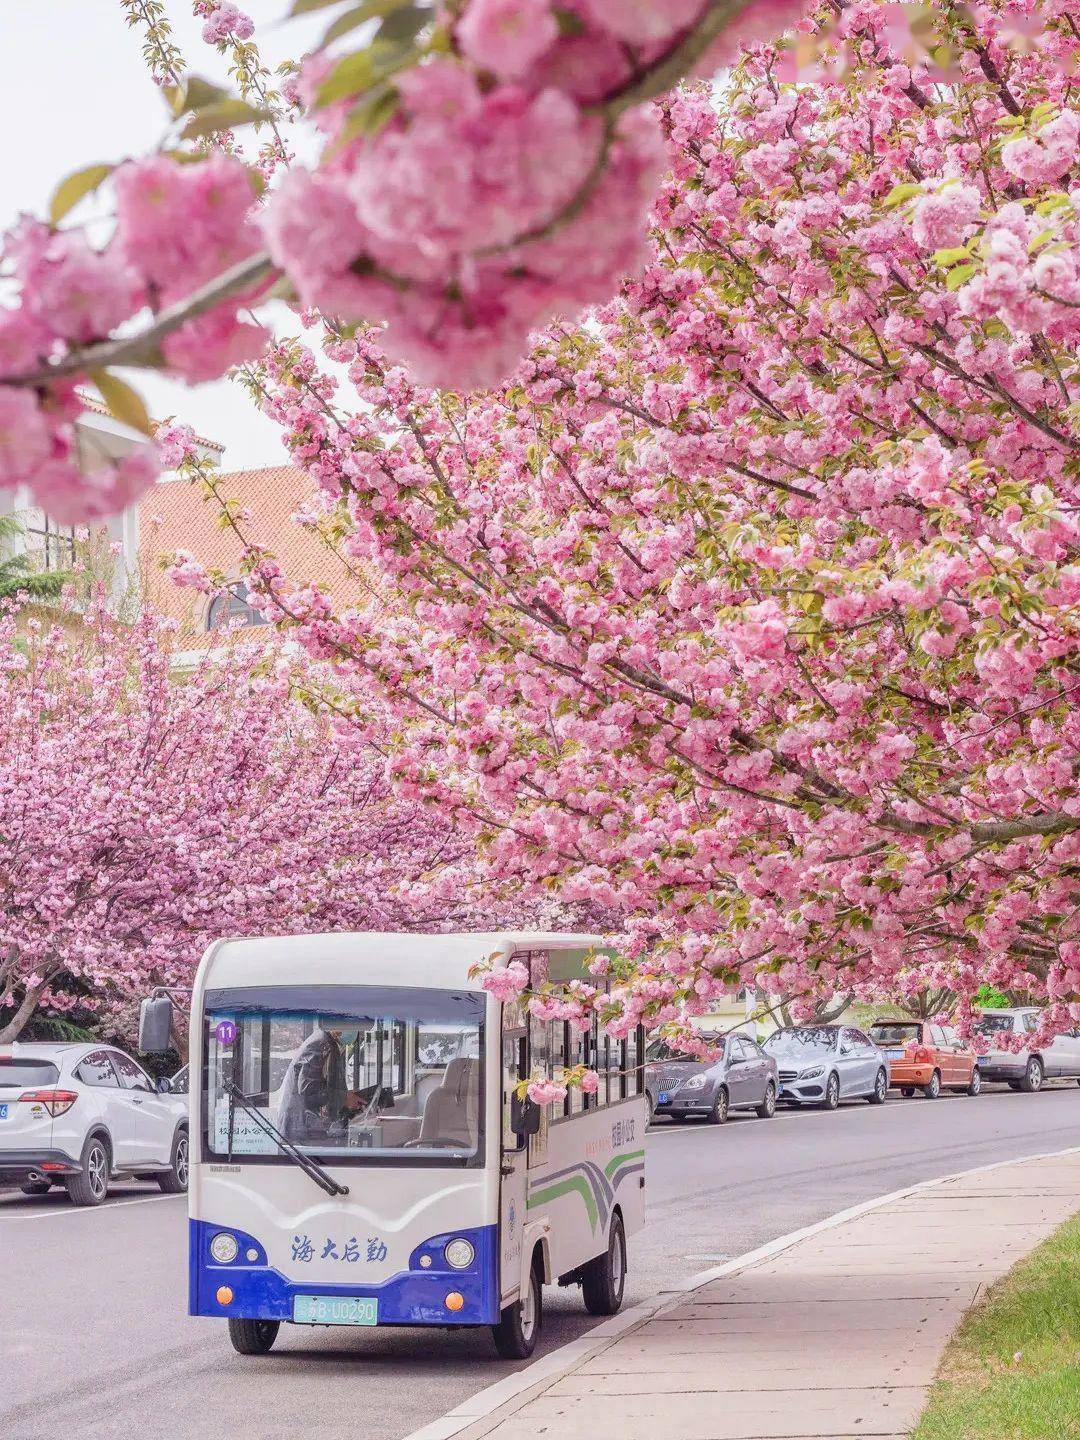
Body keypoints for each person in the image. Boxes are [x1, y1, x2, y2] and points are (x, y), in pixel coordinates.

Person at [277, 1022, 363, 1143]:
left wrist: (346, 1096)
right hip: (300, 1130)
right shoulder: (320, 1044)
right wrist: (344, 1097)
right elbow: (308, 1090)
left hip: (308, 1127)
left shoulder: (329, 1043)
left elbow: (329, 1083)